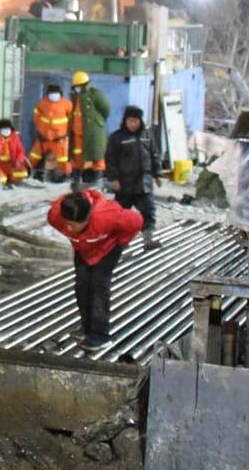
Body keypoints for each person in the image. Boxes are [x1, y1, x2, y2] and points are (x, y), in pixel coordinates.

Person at [47, 189, 143, 351]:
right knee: (82, 284)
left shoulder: (107, 216)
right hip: (84, 248)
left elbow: (137, 221)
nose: (70, 228)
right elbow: (66, 224)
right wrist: (80, 237)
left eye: (75, 224)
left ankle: (100, 335)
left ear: (88, 218)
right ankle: (86, 328)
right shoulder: (56, 217)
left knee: (99, 285)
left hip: (108, 247)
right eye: (68, 224)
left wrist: (119, 242)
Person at [105, 105, 163, 249]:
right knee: (122, 214)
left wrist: (157, 174)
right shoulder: (117, 138)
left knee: (148, 211)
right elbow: (110, 160)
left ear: (140, 121)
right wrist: (113, 179)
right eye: (130, 121)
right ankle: (121, 242)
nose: (132, 124)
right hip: (125, 183)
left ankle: (148, 239)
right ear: (125, 121)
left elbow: (154, 155)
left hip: (144, 182)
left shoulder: (147, 136)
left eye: (135, 121)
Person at [69, 71, 112, 185]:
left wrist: (98, 122)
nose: (78, 88)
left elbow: (106, 109)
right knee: (77, 155)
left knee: (96, 154)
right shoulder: (74, 97)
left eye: (79, 86)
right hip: (76, 133)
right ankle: (77, 177)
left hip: (92, 133)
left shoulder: (95, 94)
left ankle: (97, 178)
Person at [30, 83, 72, 182]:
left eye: (56, 93)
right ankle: (28, 173)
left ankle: (68, 176)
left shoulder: (67, 104)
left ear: (60, 93)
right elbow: (37, 117)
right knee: (34, 157)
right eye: (52, 93)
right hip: (43, 138)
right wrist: (41, 129)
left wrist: (66, 133)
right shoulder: (42, 103)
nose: (54, 95)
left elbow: (72, 120)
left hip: (59, 140)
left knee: (63, 160)